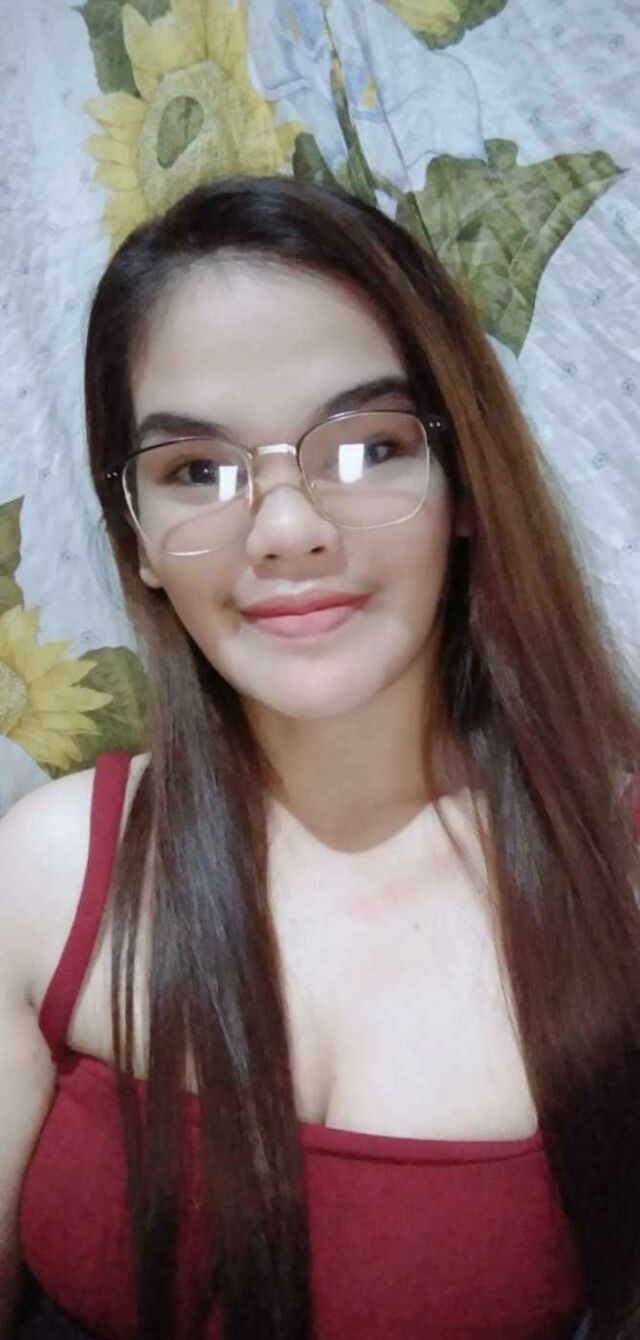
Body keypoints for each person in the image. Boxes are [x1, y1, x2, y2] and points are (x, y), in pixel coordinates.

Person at [0, 175, 638, 1340]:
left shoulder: (619, 875)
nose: (287, 528)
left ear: (461, 485)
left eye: (368, 447)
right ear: (137, 537)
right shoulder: (45, 874)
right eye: (197, 471)